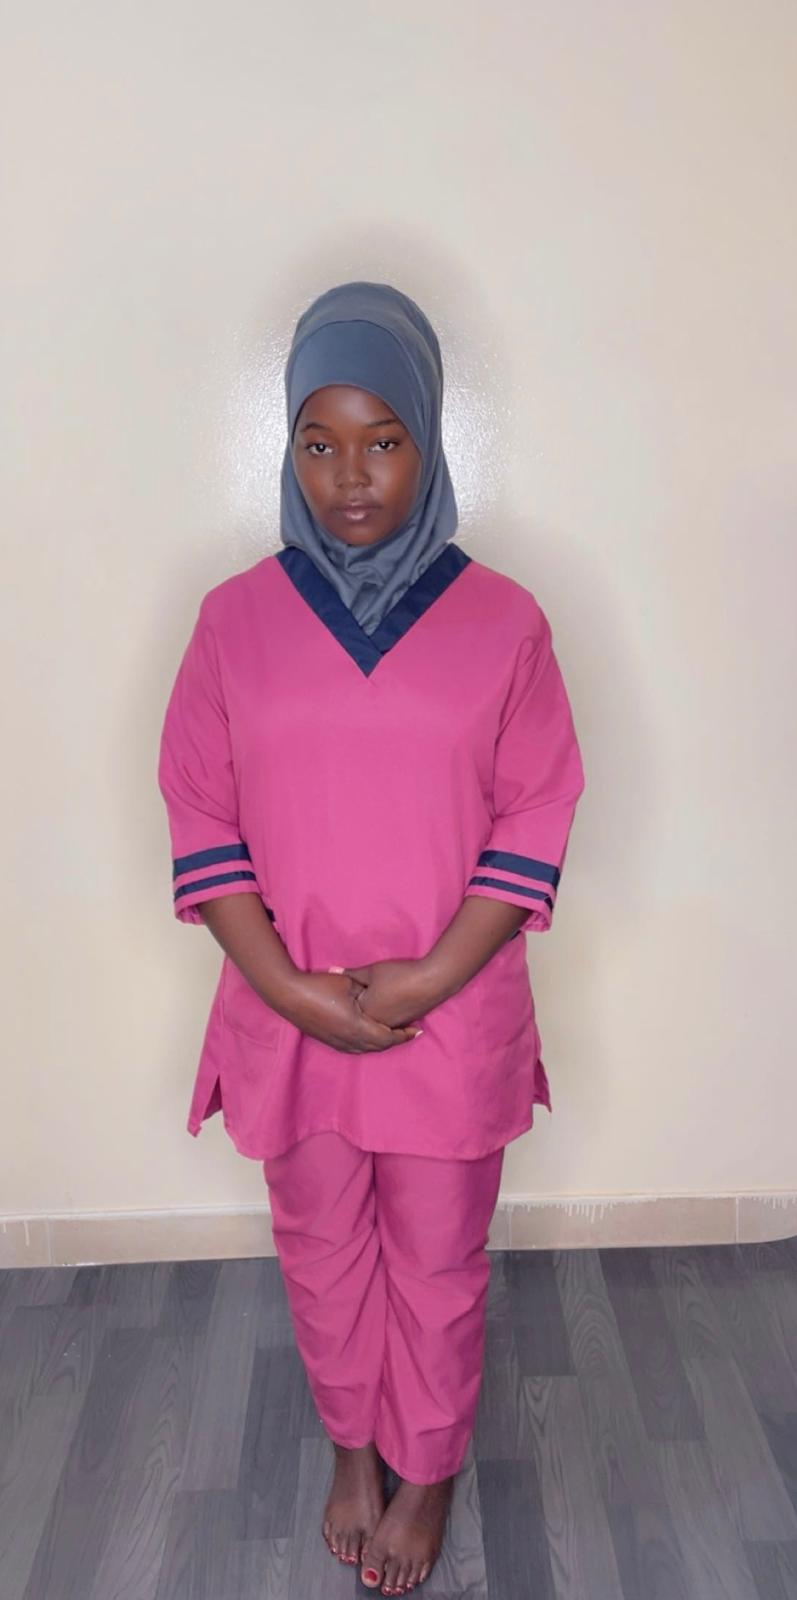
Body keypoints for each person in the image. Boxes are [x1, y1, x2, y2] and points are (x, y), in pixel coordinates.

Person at [157, 280, 585, 1596]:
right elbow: (198, 808)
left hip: (445, 1019)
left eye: (383, 439)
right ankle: (354, 1448)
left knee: (438, 1259)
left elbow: (537, 806)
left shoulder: (504, 623)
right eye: (319, 441)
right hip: (288, 1016)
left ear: (430, 437)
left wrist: (431, 977)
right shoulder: (232, 623)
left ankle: (430, 1466)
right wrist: (291, 990)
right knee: (322, 1247)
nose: (350, 475)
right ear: (289, 447)